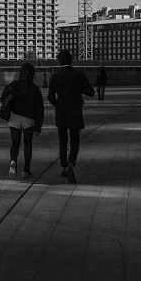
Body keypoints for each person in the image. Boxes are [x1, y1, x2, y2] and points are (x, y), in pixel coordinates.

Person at [47, 49, 95, 184]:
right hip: (75, 111)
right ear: (71, 60)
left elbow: (50, 97)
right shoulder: (78, 74)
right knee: (75, 141)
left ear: (59, 61)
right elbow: (90, 92)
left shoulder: (55, 77)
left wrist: (58, 105)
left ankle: (63, 166)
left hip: (61, 112)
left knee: (62, 141)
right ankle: (71, 164)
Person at [0, 62, 44, 180]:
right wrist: (38, 127)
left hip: (14, 117)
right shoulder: (35, 89)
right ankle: (26, 170)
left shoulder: (12, 85)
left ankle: (13, 161)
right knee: (28, 144)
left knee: (15, 143)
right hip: (29, 119)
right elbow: (40, 109)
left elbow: (2, 98)